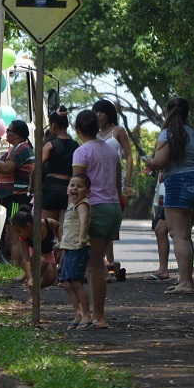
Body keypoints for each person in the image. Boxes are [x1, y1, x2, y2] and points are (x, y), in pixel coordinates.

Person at [143, 97, 194, 295]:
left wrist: (149, 161)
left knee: (179, 236)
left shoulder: (168, 133)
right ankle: (185, 280)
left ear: (168, 111)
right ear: (187, 112)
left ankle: (186, 284)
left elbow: (160, 162)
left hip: (179, 185)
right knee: (184, 236)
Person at [72, 110, 122, 329]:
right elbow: (118, 183)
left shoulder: (82, 152)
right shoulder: (111, 151)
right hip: (113, 207)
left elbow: (77, 185)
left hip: (97, 208)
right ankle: (96, 314)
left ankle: (99, 316)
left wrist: (73, 212)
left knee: (93, 266)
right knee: (96, 263)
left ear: (78, 130)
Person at [92, 99, 133, 278]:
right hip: (97, 181)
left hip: (116, 179)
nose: (98, 115)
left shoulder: (118, 131)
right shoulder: (94, 134)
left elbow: (129, 156)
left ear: (109, 113)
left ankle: (107, 263)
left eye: (101, 112)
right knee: (101, 222)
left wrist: (129, 183)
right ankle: (107, 264)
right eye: (95, 112)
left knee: (111, 220)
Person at [0, 120, 35, 265]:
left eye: (9, 130)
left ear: (17, 135)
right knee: (11, 235)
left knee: (15, 235)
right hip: (12, 197)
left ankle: (17, 266)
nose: (6, 132)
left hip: (16, 198)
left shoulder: (21, 148)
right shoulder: (18, 148)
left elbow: (7, 167)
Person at [59, 174, 93, 330]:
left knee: (76, 282)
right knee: (66, 283)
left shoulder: (82, 205)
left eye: (79, 186)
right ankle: (78, 312)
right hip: (69, 247)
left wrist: (81, 237)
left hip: (79, 247)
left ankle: (87, 314)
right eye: (72, 185)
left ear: (87, 192)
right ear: (67, 190)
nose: (74, 188)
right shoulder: (70, 206)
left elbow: (84, 220)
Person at [10, 204, 60, 304]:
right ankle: (31, 295)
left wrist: (61, 241)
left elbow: (58, 225)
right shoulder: (24, 238)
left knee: (51, 278)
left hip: (48, 250)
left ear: (28, 226)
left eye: (19, 231)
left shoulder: (46, 223)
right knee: (41, 261)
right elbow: (26, 259)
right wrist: (30, 278)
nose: (18, 235)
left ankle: (34, 287)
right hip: (35, 252)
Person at [38, 111, 79, 225]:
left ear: (53, 125)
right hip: (68, 188)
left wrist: (32, 186)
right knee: (63, 228)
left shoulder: (50, 145)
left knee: (50, 227)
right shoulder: (75, 145)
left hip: (51, 188)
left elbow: (36, 167)